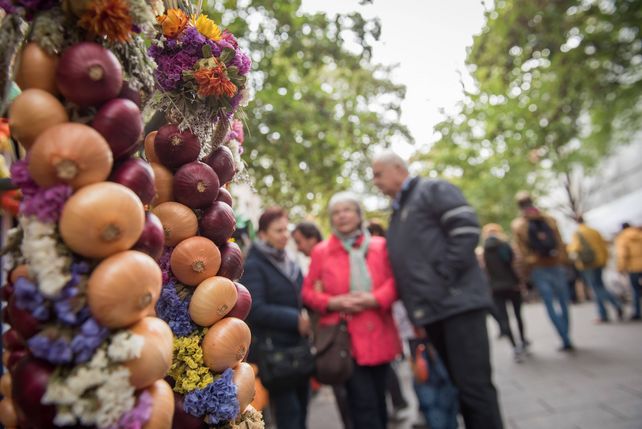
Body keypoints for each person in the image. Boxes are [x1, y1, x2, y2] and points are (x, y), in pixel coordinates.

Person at [371, 151, 503, 429]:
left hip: (457, 306)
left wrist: (443, 276)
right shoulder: (398, 212)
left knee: (475, 389)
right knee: (461, 388)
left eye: (378, 174)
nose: (375, 182)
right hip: (434, 312)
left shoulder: (432, 190)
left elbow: (465, 229)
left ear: (398, 169)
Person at [302, 192, 401, 429]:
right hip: (346, 341)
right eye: (336, 212)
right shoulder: (322, 251)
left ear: (359, 215)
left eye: (347, 210)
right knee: (362, 406)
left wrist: (374, 298)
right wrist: (333, 303)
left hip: (380, 332)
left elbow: (396, 282)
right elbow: (307, 292)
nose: (342, 216)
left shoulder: (380, 246)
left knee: (380, 401)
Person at [241, 207, 311, 429]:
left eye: (286, 229)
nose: (285, 235)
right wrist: (295, 319)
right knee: (290, 416)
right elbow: (255, 308)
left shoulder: (289, 261)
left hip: (298, 349)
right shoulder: (254, 264)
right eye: (278, 230)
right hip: (275, 353)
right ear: (263, 234)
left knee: (302, 411)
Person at [292, 221, 353, 429]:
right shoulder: (314, 264)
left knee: (347, 390)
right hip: (329, 335)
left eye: (299, 242)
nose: (298, 247)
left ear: (312, 239)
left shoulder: (329, 260)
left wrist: (321, 298)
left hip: (336, 335)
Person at [511, 191, 574, 351]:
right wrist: (564, 260)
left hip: (538, 267)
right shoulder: (549, 219)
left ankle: (563, 337)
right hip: (555, 263)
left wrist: (526, 270)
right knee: (563, 301)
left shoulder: (519, 225)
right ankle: (566, 335)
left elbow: (521, 251)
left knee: (549, 303)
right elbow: (560, 242)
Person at [481, 224, 529, 362]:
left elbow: (485, 271)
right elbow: (513, 264)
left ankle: (514, 346)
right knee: (518, 315)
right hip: (512, 285)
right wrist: (519, 282)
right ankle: (522, 340)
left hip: (496, 288)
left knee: (504, 318)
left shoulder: (484, 251)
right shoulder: (504, 246)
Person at [568, 216, 623, 322]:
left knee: (596, 288)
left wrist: (569, 249)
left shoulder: (577, 233)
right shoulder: (594, 231)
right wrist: (605, 260)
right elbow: (603, 246)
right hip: (599, 262)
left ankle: (605, 312)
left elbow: (575, 248)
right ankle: (614, 307)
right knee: (600, 285)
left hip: (587, 264)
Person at [615, 222, 642, 320]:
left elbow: (623, 254)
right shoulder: (639, 234)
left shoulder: (623, 237)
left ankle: (637, 312)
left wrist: (621, 268)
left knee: (635, 290)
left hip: (633, 267)